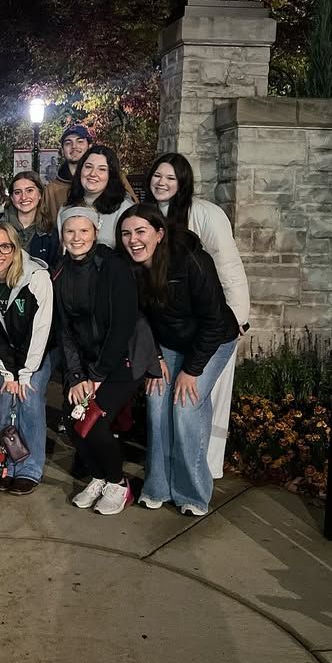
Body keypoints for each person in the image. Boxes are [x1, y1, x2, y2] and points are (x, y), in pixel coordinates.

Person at [118, 204, 240, 516]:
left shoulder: (192, 262)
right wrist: (155, 356)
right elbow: (139, 318)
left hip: (212, 341)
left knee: (185, 408)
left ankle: (192, 494)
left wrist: (191, 369)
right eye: (126, 233)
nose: (133, 240)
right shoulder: (130, 269)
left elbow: (214, 321)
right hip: (169, 345)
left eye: (140, 231)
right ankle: (157, 487)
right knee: (158, 403)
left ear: (159, 234)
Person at [142, 152, 250, 479]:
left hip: (211, 323)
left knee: (198, 401)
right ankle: (169, 472)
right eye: (158, 176)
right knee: (167, 402)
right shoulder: (145, 214)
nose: (162, 183)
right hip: (170, 328)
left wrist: (237, 313)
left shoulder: (205, 214)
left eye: (170, 178)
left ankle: (204, 470)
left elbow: (228, 265)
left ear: (183, 182)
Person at [54, 206, 155, 516]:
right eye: (70, 231)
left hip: (126, 357)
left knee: (94, 423)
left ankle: (117, 483)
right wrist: (75, 376)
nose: (77, 237)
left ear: (96, 233)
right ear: (62, 236)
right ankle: (98, 477)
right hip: (88, 363)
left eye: (84, 231)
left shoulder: (113, 267)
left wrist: (96, 376)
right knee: (72, 419)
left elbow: (122, 326)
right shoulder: (58, 272)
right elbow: (65, 330)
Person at [0, 223, 54, 494]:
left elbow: (40, 330)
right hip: (4, 355)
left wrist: (25, 374)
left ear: (16, 249)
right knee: (6, 401)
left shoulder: (36, 277)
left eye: (5, 246)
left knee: (28, 399)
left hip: (37, 352)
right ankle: (5, 464)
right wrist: (7, 373)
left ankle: (30, 468)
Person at [58, 144, 137, 249]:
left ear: (111, 175)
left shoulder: (125, 210)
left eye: (102, 169)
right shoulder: (66, 209)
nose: (93, 174)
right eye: (88, 167)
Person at [0, 171, 60, 268]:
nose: (24, 197)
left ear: (40, 194)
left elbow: (54, 271)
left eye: (29, 190)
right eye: (17, 192)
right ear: (12, 198)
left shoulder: (50, 231)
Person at [45, 125, 92, 219]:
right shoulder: (51, 190)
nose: (74, 146)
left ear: (90, 146)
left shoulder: (108, 179)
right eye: (68, 143)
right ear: (62, 151)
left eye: (80, 141)